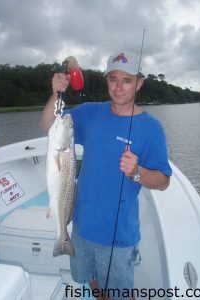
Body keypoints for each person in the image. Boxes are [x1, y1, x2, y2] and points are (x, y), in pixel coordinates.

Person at [41, 50, 172, 299]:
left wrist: (137, 172)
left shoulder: (152, 129)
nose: (119, 87)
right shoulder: (91, 113)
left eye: (127, 80)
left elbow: (163, 181)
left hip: (118, 236)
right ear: (107, 81)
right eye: (113, 79)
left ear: (139, 84)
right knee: (94, 284)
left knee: (120, 294)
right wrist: (56, 93)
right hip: (80, 227)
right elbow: (50, 125)